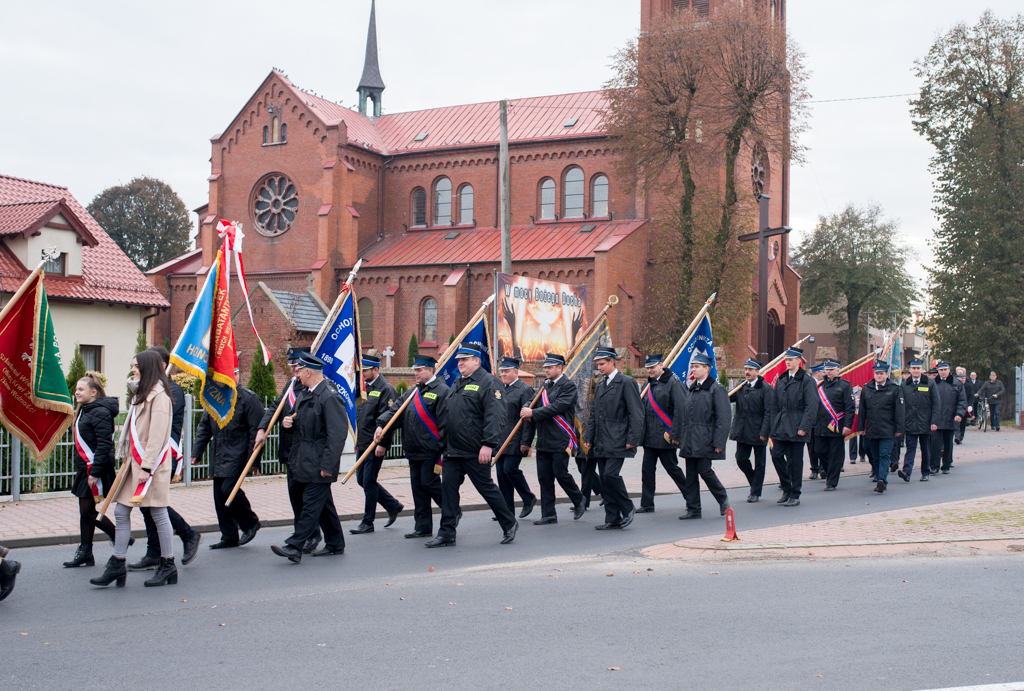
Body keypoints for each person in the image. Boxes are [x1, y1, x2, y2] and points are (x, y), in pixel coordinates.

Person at [91, 350, 177, 588]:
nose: (133, 370)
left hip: (151, 466)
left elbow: (158, 435)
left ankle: (168, 564)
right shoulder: (141, 394)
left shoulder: (159, 397)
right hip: (135, 463)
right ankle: (118, 563)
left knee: (158, 513)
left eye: (136, 366)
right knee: (121, 511)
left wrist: (147, 467)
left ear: (148, 368)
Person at [427, 343, 518, 547]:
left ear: (476, 361)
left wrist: (488, 444)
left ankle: (509, 523)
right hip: (452, 450)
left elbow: (496, 416)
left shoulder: (489, 382)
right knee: (448, 492)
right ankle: (447, 533)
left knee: (486, 488)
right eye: (459, 360)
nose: (460, 363)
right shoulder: (458, 382)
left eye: (464, 360)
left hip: (475, 450)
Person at [130, 345, 202, 572]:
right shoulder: (148, 388)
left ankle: (188, 534)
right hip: (146, 454)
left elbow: (160, 424)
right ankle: (154, 552)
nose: (134, 369)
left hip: (163, 453)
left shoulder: (171, 390)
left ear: (160, 365)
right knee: (145, 504)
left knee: (155, 503)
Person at [270, 353, 347, 563]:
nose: (296, 374)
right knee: (323, 506)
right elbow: (296, 421)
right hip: (302, 460)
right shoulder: (305, 394)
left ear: (308, 371)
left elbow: (337, 435)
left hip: (320, 462)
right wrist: (287, 423)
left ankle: (295, 546)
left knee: (311, 505)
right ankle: (335, 543)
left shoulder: (330, 396)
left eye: (299, 370)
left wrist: (328, 465)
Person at [376, 355, 449, 538]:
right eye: (415, 370)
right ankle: (422, 526)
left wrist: (443, 447)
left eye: (420, 370)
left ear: (431, 370)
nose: (416, 373)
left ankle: (451, 509)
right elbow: (394, 411)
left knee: (429, 483)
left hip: (432, 449)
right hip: (414, 449)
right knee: (418, 488)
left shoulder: (442, 391)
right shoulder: (412, 392)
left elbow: (445, 423)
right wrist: (381, 424)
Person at [256, 346, 320, 553]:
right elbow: (276, 407)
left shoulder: (311, 387)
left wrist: (290, 421)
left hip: (305, 453)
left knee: (309, 498)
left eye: (298, 365)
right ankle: (305, 534)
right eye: (292, 365)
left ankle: (308, 536)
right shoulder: (291, 385)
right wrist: (262, 429)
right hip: (290, 451)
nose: (294, 369)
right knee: (297, 496)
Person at [191, 375, 265, 549]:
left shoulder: (248, 398)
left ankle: (250, 522)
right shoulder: (215, 397)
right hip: (219, 452)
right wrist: (197, 452)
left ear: (237, 374)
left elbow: (257, 431)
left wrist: (253, 460)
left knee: (229, 490)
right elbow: (205, 426)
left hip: (238, 453)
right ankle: (229, 536)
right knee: (219, 496)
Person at [520, 353, 585, 525]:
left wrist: (532, 413)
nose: (546, 370)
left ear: (559, 368)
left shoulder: (569, 386)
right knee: (544, 478)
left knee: (561, 474)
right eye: (545, 367)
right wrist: (526, 407)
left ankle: (579, 500)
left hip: (560, 439)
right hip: (544, 440)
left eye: (549, 367)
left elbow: (557, 407)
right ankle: (548, 514)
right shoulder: (544, 385)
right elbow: (532, 400)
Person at [583, 346, 644, 530]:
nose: (599, 367)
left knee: (611, 474)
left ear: (612, 362)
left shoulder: (626, 382)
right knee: (604, 479)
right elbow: (593, 414)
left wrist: (633, 438)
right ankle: (612, 518)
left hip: (619, 438)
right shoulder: (601, 384)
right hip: (601, 440)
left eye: (602, 364)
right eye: (597, 364)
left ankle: (627, 507)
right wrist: (589, 436)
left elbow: (637, 413)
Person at [63, 372, 118, 568]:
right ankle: (86, 552)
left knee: (87, 511)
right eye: (76, 389)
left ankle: (119, 537)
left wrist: (94, 472)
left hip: (96, 468)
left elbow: (104, 444)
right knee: (85, 511)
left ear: (93, 392)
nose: (76, 392)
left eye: (81, 389)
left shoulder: (100, 412)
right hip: (85, 467)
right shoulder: (86, 410)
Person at [350, 353, 404, 534]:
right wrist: (358, 440)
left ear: (375, 369)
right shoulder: (363, 388)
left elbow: (389, 421)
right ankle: (392, 505)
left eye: (365, 370)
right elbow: (361, 416)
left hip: (376, 444)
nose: (362, 373)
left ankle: (368, 521)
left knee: (369, 481)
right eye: (361, 370)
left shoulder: (386, 389)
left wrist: (383, 444)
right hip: (364, 442)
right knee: (361, 480)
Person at [679, 353, 731, 519]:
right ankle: (693, 508)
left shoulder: (716, 389)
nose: (693, 369)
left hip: (705, 438)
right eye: (693, 366)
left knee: (705, 471)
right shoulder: (692, 388)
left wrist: (719, 442)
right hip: (690, 438)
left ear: (707, 369)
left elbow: (723, 418)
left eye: (697, 366)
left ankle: (723, 499)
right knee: (691, 474)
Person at [637, 354, 687, 512]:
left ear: (661, 365)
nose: (650, 370)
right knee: (647, 471)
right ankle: (647, 503)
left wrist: (675, 434)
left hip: (666, 436)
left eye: (652, 367)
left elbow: (680, 410)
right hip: (650, 437)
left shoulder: (674, 383)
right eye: (648, 368)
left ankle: (692, 498)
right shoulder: (647, 383)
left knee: (673, 470)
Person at [769, 346, 818, 507]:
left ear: (798, 361)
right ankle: (786, 486)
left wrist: (804, 426)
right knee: (776, 455)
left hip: (797, 425)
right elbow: (775, 405)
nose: (788, 362)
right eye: (787, 360)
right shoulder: (782, 379)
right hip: (782, 424)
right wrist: (774, 422)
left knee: (795, 461)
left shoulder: (807, 380)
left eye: (790, 360)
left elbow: (811, 406)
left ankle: (794, 493)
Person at [493, 357, 538, 520]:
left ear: (515, 372)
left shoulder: (524, 389)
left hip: (515, 438)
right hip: (500, 439)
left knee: (509, 470)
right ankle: (507, 512)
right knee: (501, 476)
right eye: (501, 371)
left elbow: (528, 419)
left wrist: (526, 442)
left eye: (506, 371)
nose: (503, 374)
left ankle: (528, 497)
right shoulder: (499, 389)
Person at [730, 358, 773, 502]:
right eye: (746, 369)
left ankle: (755, 492)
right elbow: (728, 398)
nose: (747, 372)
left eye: (750, 370)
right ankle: (755, 481)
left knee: (759, 463)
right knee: (741, 459)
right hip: (743, 430)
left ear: (757, 371)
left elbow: (769, 412)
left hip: (758, 430)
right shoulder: (741, 386)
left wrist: (764, 432)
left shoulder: (766, 389)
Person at [859, 361, 905, 494]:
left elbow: (900, 411)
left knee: (884, 455)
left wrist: (899, 429)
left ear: (886, 374)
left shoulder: (895, 389)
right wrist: (861, 427)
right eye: (876, 373)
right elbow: (862, 409)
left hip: (888, 429)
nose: (878, 376)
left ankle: (882, 480)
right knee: (875, 456)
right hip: (872, 429)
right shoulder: (867, 388)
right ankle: (879, 476)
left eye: (881, 374)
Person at [814, 360, 855, 491]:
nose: (829, 372)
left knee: (835, 454)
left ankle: (831, 482)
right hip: (820, 426)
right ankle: (829, 470)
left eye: (832, 369)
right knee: (819, 450)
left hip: (836, 426)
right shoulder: (819, 386)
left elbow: (850, 407)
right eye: (827, 369)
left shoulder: (845, 385)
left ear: (838, 371)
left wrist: (848, 425)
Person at [898, 359, 938, 482]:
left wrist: (934, 421)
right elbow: (900, 404)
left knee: (925, 448)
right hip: (910, 421)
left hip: (925, 422)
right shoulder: (904, 385)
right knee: (910, 447)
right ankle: (906, 472)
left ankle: (925, 472)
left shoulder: (930, 384)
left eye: (918, 368)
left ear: (922, 369)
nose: (915, 371)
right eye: (913, 368)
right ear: (910, 370)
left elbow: (936, 403)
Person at [931, 362, 966, 474]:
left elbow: (962, 401)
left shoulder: (957, 383)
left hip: (951, 417)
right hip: (936, 418)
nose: (943, 372)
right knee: (935, 443)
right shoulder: (932, 383)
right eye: (941, 370)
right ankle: (934, 466)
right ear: (938, 371)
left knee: (948, 443)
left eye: (945, 369)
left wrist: (959, 414)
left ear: (949, 370)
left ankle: (946, 465)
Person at [807, 363, 826, 480]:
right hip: (810, 422)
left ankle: (823, 468)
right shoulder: (809, 383)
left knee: (822, 447)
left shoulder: (825, 384)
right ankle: (814, 469)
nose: (825, 374)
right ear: (818, 372)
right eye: (823, 372)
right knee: (811, 447)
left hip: (821, 421)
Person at [955, 367, 974, 444]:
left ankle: (960, 436)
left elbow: (971, 396)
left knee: (963, 423)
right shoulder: (954, 385)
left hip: (965, 407)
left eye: (964, 378)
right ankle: (957, 436)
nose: (963, 380)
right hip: (956, 406)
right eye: (961, 378)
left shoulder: (969, 386)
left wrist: (970, 405)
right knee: (956, 423)